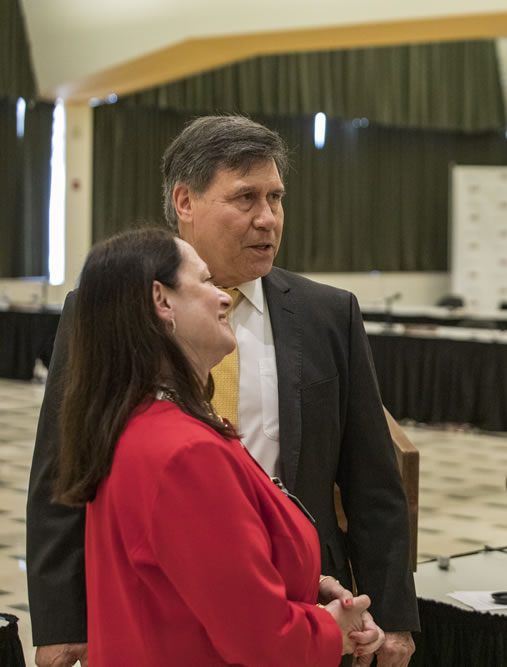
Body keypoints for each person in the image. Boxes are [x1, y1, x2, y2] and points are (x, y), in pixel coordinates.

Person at [27, 116, 419, 666]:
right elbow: (63, 463)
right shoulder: (109, 313)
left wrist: (395, 615)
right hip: (163, 602)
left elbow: (373, 480)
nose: (268, 218)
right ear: (185, 201)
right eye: (245, 199)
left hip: (301, 595)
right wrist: (62, 619)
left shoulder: (327, 314)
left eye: (276, 197)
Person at [50, 228, 383, 664]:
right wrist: (331, 629)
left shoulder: (140, 422)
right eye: (206, 283)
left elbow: (192, 576)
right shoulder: (184, 452)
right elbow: (261, 637)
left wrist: (305, 584)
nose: (225, 298)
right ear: (162, 300)